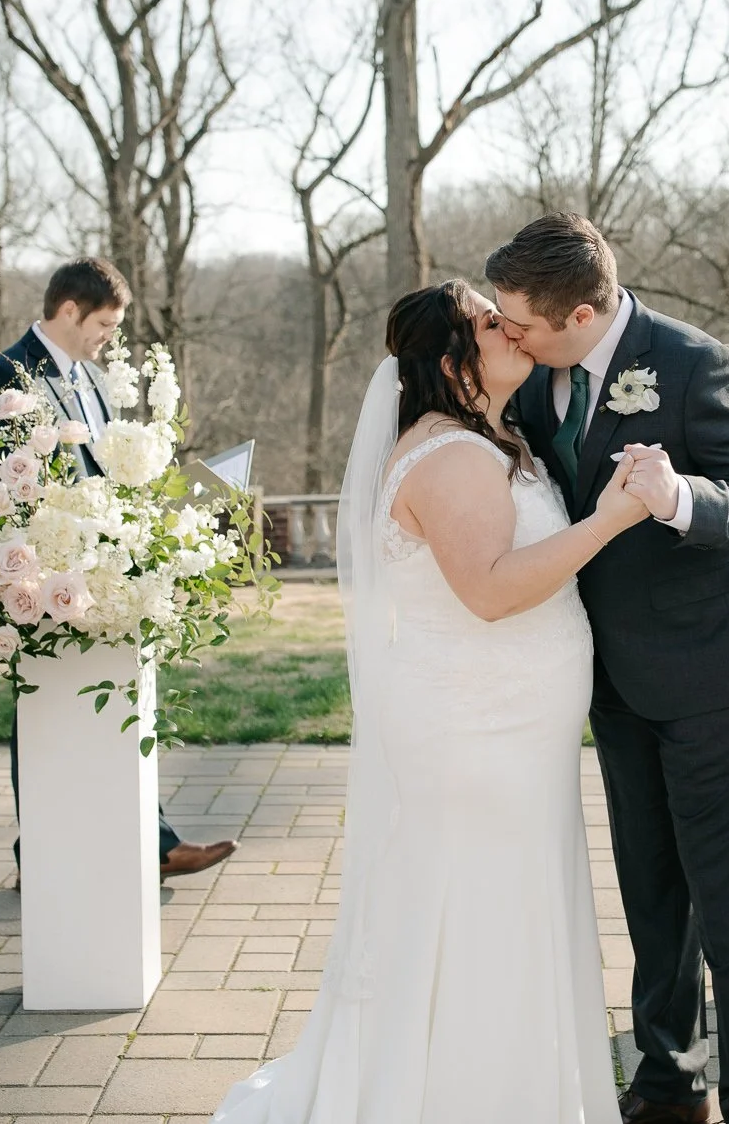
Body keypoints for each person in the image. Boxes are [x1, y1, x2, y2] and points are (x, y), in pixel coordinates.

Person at [212, 279, 652, 1124]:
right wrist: (611, 518)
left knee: (504, 906)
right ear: (455, 360)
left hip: (506, 732)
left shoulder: (482, 438)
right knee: (482, 914)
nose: (513, 327)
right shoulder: (450, 455)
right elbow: (487, 590)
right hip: (474, 735)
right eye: (493, 321)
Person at [489, 213, 729, 1124]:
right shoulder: (534, 379)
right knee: (653, 894)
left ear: (581, 315)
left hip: (716, 674)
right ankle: (669, 1081)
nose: (507, 332)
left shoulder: (696, 363)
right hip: (617, 681)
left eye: (520, 321)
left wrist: (678, 498)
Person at [0, 256, 234, 884]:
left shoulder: (86, 381)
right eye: (105, 323)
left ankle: (144, 843)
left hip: (103, 568)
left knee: (107, 698)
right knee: (41, 709)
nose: (109, 336)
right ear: (67, 311)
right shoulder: (2, 376)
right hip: (39, 572)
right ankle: (46, 853)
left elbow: (102, 472)